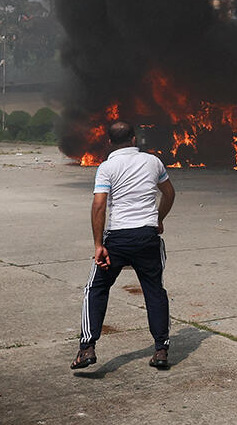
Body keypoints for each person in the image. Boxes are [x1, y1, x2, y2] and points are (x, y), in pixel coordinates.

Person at [71, 121, 176, 370]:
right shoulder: (153, 162)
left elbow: (99, 205)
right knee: (154, 291)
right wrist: (158, 218)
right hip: (147, 237)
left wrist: (99, 244)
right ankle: (161, 350)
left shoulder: (107, 167)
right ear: (133, 139)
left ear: (109, 141)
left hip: (118, 238)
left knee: (95, 288)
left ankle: (87, 348)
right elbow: (169, 193)